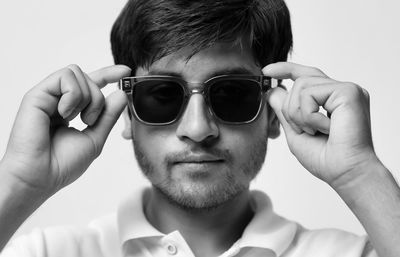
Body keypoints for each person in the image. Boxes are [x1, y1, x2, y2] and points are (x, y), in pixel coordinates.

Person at [0, 0, 399, 256]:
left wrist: (359, 173)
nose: (197, 128)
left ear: (273, 111)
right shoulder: (48, 252)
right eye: (162, 94)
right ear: (126, 112)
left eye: (231, 93)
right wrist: (19, 182)